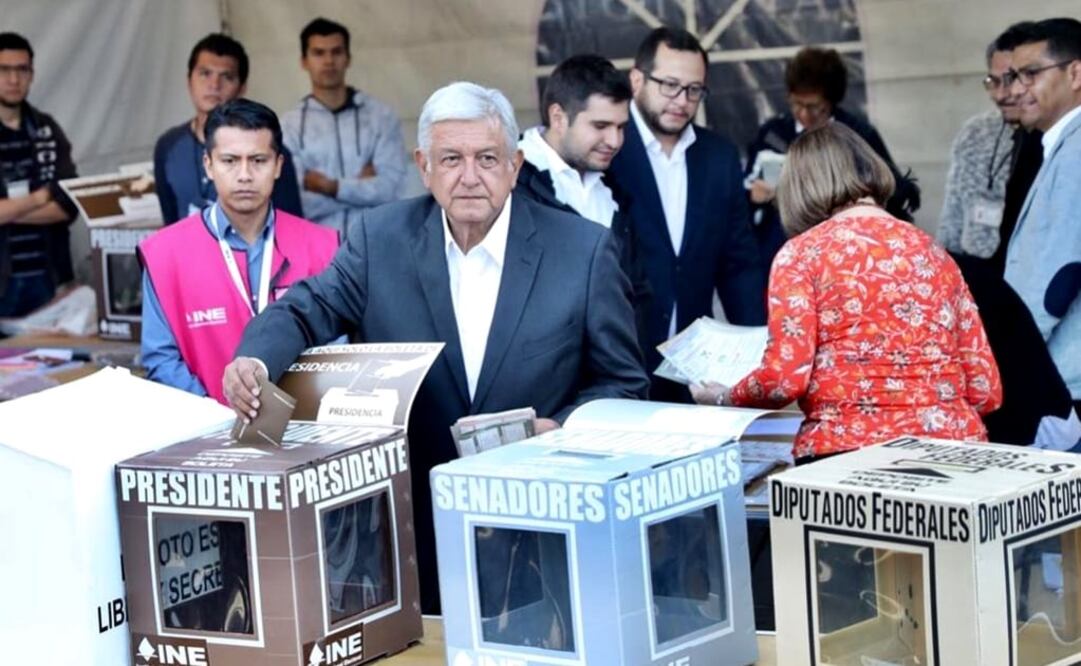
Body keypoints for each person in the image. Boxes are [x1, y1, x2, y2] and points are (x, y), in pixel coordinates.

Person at [223, 82, 649, 611]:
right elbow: (305, 309)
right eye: (451, 158)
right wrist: (254, 359)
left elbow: (624, 385)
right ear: (423, 166)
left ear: (515, 164)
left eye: (487, 158)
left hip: (542, 531)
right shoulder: (379, 239)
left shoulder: (583, 251)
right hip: (413, 537)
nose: (470, 177)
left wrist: (560, 429)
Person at [692, 124, 1002, 462]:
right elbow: (986, 388)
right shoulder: (934, 252)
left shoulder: (800, 255)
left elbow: (783, 380)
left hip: (847, 463)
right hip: (956, 454)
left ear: (799, 188)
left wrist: (723, 398)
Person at [140, 99, 338, 404]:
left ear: (278, 166)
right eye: (230, 161)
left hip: (310, 431)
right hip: (207, 436)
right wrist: (217, 422)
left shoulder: (324, 247)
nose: (244, 175)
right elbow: (161, 360)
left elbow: (340, 350)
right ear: (208, 165)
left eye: (258, 160)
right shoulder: (164, 254)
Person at [607, 27, 766, 402]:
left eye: (694, 90)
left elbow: (738, 263)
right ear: (636, 80)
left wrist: (759, 355)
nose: (682, 100)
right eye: (670, 85)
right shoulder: (608, 150)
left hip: (693, 373)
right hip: (620, 364)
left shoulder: (719, 157)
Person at [516, 53, 651, 356]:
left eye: (621, 127)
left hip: (615, 385)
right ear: (558, 117)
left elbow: (635, 291)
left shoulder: (614, 187)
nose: (615, 141)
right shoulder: (506, 183)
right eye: (601, 125)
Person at [745, 47, 920, 271]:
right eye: (796, 104)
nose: (804, 114)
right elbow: (744, 187)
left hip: (846, 255)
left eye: (814, 107)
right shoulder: (772, 132)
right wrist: (753, 194)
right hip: (780, 252)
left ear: (831, 100)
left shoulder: (857, 133)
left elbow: (897, 189)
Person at [1003, 18, 1081, 417]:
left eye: (1031, 74)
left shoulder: (1075, 153)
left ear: (1075, 73)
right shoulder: (1062, 146)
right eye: (1014, 76)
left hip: (1066, 376)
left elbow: (1060, 273)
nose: (1017, 89)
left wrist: (1015, 358)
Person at [153, 33, 303, 225]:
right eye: (205, 73)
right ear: (189, 81)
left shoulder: (269, 149)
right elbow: (170, 225)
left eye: (227, 77)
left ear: (242, 88)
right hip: (188, 254)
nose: (214, 85)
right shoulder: (168, 146)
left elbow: (291, 227)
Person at [282, 18, 406, 234]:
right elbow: (296, 203)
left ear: (348, 58)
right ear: (304, 61)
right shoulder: (288, 127)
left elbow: (391, 190)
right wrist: (359, 188)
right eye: (319, 53)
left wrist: (330, 187)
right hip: (317, 250)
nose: (329, 61)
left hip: (376, 242)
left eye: (336, 52)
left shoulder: (381, 117)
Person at [0, 32, 79, 318]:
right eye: (4, 69)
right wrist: (41, 196)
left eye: (21, 69)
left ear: (31, 74)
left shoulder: (46, 129)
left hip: (48, 280)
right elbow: (53, 198)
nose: (13, 79)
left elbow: (69, 204)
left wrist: (9, 211)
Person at [937, 27, 1032, 259]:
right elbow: (952, 218)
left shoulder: (1054, 138)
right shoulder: (975, 133)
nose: (1001, 94)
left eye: (1010, 80)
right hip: (976, 272)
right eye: (993, 81)